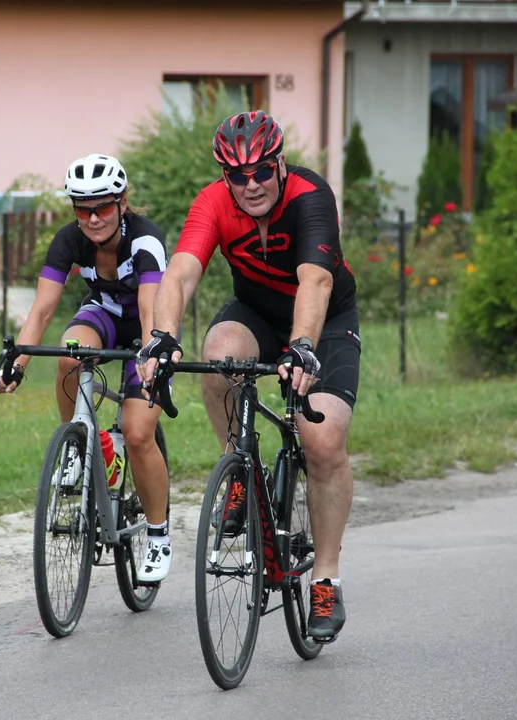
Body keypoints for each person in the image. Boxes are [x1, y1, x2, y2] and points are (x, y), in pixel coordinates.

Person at [137, 111, 361, 641]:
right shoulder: (213, 202)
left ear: (280, 164)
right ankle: (238, 467)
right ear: (225, 177)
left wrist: (303, 347)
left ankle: (325, 579)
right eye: (238, 176)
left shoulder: (309, 196)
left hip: (322, 321)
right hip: (257, 312)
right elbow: (182, 271)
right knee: (220, 354)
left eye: (261, 171)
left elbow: (315, 280)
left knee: (322, 439)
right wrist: (162, 337)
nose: (252, 184)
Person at [0, 153, 173, 584]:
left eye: (102, 208)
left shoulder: (146, 240)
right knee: (69, 354)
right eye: (82, 209)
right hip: (103, 315)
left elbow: (151, 309)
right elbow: (42, 309)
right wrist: (16, 362)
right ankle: (79, 444)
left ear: (122, 203)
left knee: (137, 433)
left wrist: (151, 357)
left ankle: (158, 533)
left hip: (148, 327)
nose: (92, 218)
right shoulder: (69, 239)